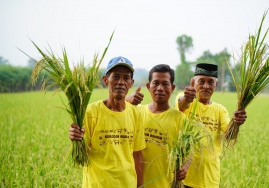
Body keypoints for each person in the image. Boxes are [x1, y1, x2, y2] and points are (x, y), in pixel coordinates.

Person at [68, 56, 146, 188]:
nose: (121, 82)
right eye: (115, 76)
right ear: (105, 80)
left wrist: (140, 186)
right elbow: (82, 153)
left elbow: (137, 154)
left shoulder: (135, 113)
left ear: (131, 83)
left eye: (126, 78)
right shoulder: (90, 112)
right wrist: (75, 137)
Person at [175, 63, 247, 188]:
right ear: (193, 82)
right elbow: (181, 105)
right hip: (183, 177)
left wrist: (236, 123)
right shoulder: (186, 100)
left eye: (210, 82)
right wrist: (187, 98)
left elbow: (229, 135)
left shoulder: (220, 110)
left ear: (216, 85)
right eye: (201, 81)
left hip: (209, 180)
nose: (206, 86)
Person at [133, 64, 190, 187]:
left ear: (173, 87)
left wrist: (185, 167)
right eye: (155, 83)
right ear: (148, 86)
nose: (160, 88)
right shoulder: (136, 113)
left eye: (165, 84)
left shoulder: (180, 118)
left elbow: (191, 151)